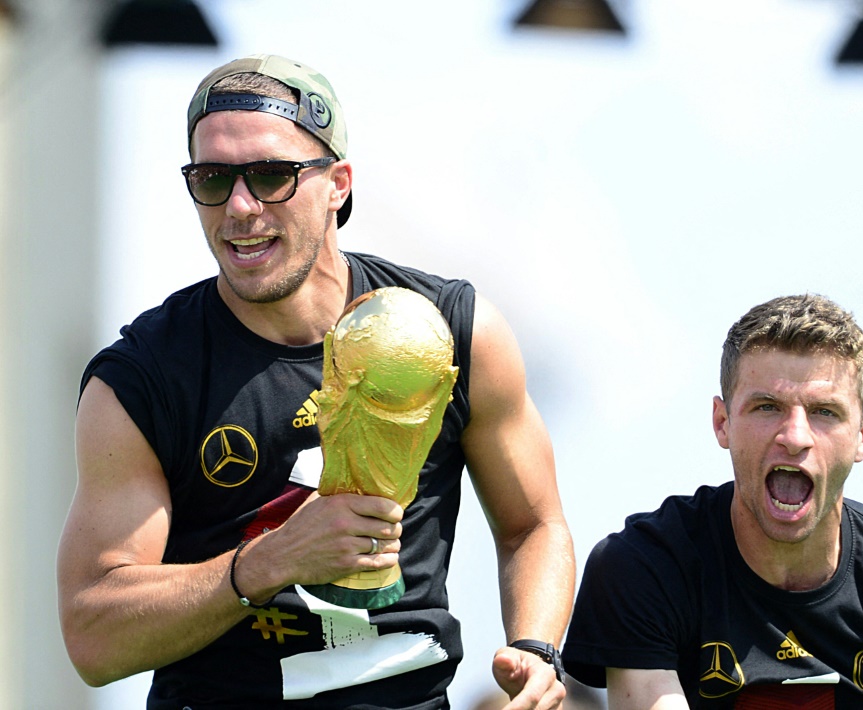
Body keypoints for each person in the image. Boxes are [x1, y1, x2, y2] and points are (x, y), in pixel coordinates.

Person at [57, 54, 575, 710]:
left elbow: (534, 525)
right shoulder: (141, 379)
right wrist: (265, 565)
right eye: (213, 179)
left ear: (338, 183)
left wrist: (535, 649)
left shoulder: (451, 329)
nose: (240, 207)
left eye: (272, 176)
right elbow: (94, 639)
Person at [562, 294, 863, 708]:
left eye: (824, 412)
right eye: (767, 407)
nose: (795, 437)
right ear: (722, 422)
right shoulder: (646, 566)